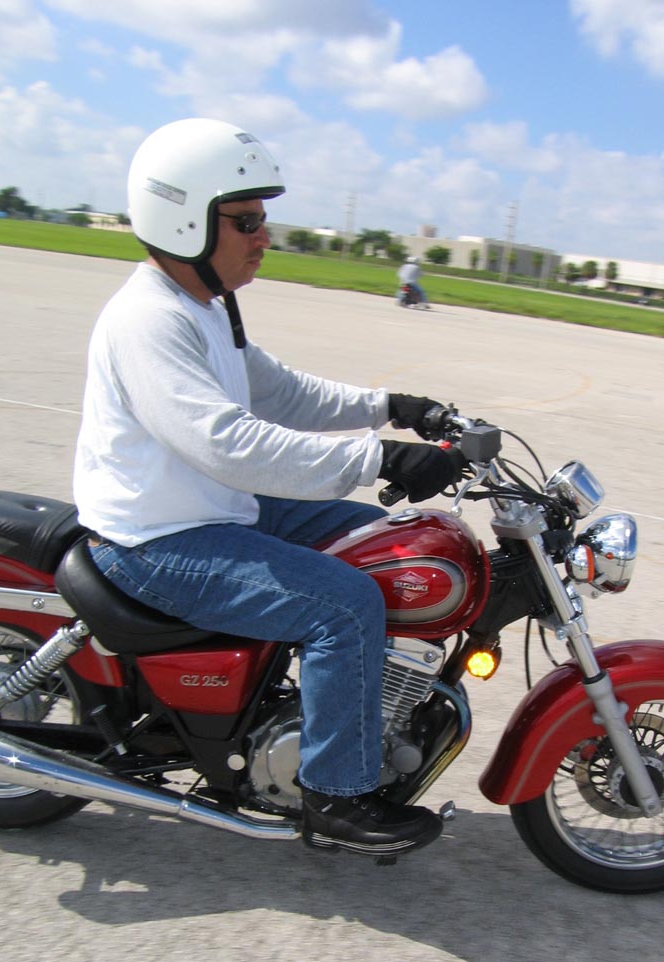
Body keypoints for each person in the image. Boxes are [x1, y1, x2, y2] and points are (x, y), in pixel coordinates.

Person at [72, 117, 460, 859]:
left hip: (213, 505)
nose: (264, 237)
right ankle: (335, 794)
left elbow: (280, 393)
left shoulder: (204, 305)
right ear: (185, 218)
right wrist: (378, 459)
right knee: (346, 604)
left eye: (262, 220)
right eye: (246, 221)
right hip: (158, 539)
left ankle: (336, 707)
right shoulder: (149, 319)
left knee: (380, 541)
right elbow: (229, 445)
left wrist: (394, 407)